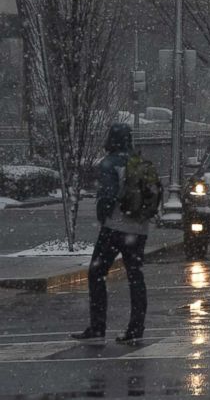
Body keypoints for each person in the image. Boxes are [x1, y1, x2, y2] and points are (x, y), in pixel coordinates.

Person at [71, 123, 151, 344]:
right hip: (139, 230)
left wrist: (103, 216)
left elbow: (107, 196)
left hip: (115, 228)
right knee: (136, 277)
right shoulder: (141, 162)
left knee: (96, 273)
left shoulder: (110, 163)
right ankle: (136, 328)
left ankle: (98, 326)